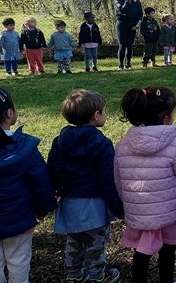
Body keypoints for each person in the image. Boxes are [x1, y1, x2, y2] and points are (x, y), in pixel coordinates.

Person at [0, 88, 56, 283]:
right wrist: (43, 209)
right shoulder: (24, 148)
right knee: (19, 263)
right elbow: (41, 182)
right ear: (10, 113)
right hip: (19, 220)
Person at [114, 86, 176, 283]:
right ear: (167, 117)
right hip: (168, 213)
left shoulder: (122, 146)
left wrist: (126, 205)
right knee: (168, 251)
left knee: (141, 252)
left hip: (138, 213)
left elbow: (119, 180)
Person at [48, 89, 124, 283]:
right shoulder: (102, 143)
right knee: (95, 243)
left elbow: (52, 170)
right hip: (94, 205)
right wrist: (118, 207)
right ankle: (97, 275)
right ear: (95, 116)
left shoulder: (59, 142)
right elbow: (108, 178)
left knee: (73, 241)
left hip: (69, 202)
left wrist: (52, 195)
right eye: (104, 111)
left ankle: (74, 274)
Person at [113, 0, 142, 70]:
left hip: (132, 25)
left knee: (130, 45)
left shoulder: (136, 1)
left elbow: (140, 14)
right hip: (122, 23)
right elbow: (121, 10)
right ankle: (121, 64)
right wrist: (127, 2)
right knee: (122, 44)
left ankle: (128, 64)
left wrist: (137, 25)